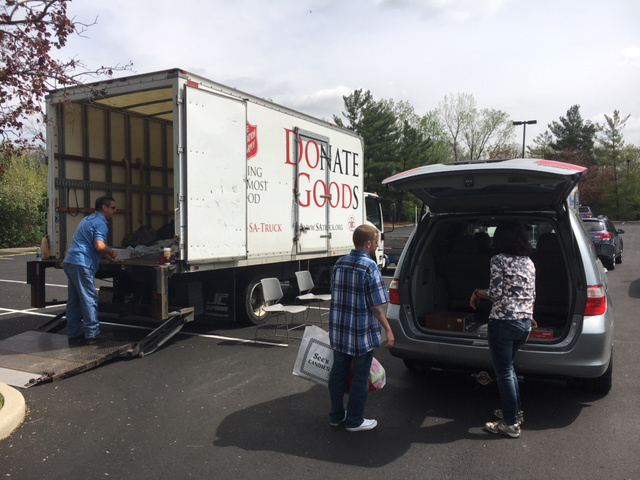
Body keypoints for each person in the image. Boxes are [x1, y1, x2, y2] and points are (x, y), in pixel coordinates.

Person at [470, 220, 537, 438]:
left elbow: (496, 293)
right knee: (509, 370)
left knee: (505, 372)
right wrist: (529, 315)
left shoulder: (498, 260)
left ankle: (510, 424)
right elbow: (531, 294)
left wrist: (477, 292)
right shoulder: (528, 262)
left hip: (504, 323)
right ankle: (514, 413)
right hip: (524, 324)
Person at [328, 224, 395, 432]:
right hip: (360, 334)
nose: (376, 245)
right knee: (359, 376)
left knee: (338, 373)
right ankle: (355, 420)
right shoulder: (369, 267)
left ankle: (336, 416)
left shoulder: (339, 263)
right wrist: (389, 330)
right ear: (368, 244)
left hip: (339, 331)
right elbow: (376, 306)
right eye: (375, 242)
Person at [63, 196, 121, 345]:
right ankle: (93, 334)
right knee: (89, 298)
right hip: (82, 263)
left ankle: (74, 333)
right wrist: (113, 252)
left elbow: (91, 244)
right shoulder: (101, 222)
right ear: (104, 208)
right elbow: (99, 246)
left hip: (71, 261)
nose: (115, 211)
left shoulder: (88, 219)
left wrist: (109, 258)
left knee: (74, 300)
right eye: (113, 208)